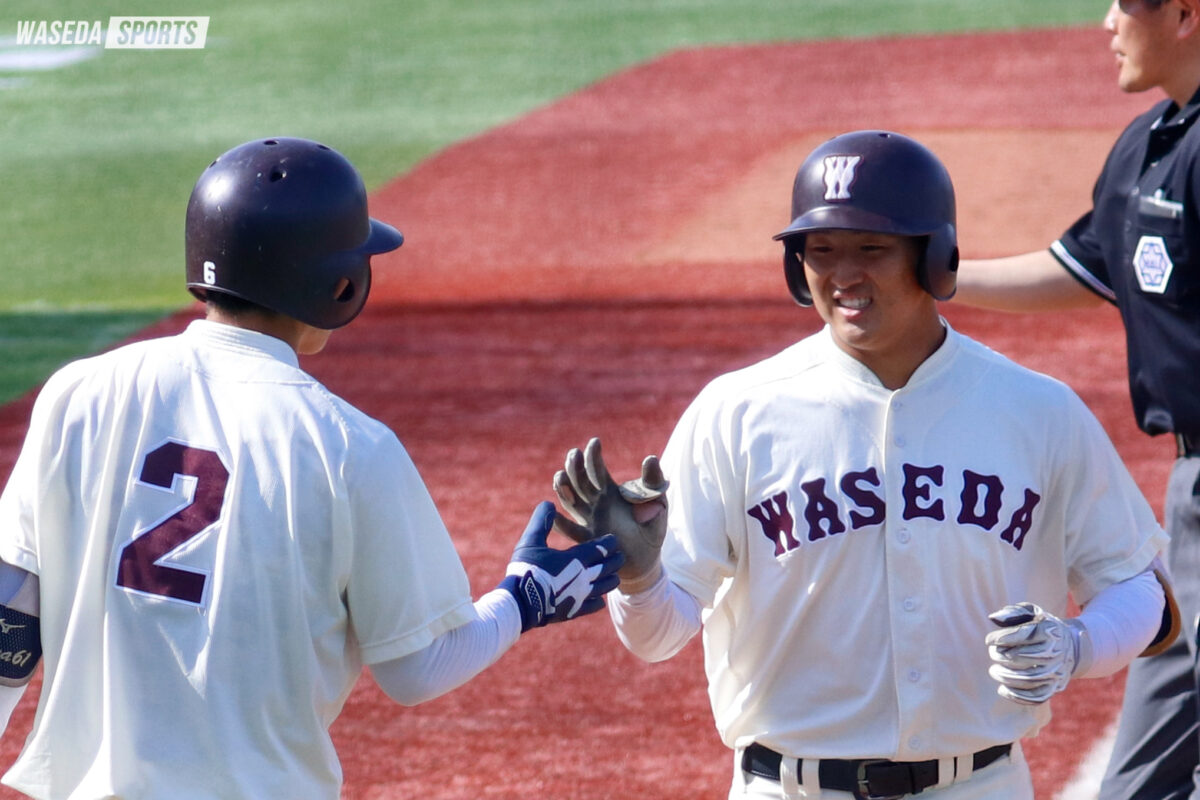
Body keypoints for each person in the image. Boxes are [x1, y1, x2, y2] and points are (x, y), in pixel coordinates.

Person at [551, 129, 1179, 800]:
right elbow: (657, 637)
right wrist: (640, 579)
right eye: (821, 251)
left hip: (979, 784)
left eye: (871, 249)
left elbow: (1142, 591)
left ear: (934, 257)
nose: (843, 274)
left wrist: (1077, 646)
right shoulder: (737, 413)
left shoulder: (1036, 410)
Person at [0, 136, 624, 799]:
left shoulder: (80, 393)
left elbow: (12, 614)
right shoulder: (348, 446)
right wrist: (524, 598)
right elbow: (419, 668)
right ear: (340, 286)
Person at [951, 2, 1200, 797]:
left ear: (1185, 14)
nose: (1106, 21)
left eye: (1125, 2)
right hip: (1190, 492)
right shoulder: (1151, 144)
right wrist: (937, 279)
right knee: (1139, 779)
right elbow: (1083, 268)